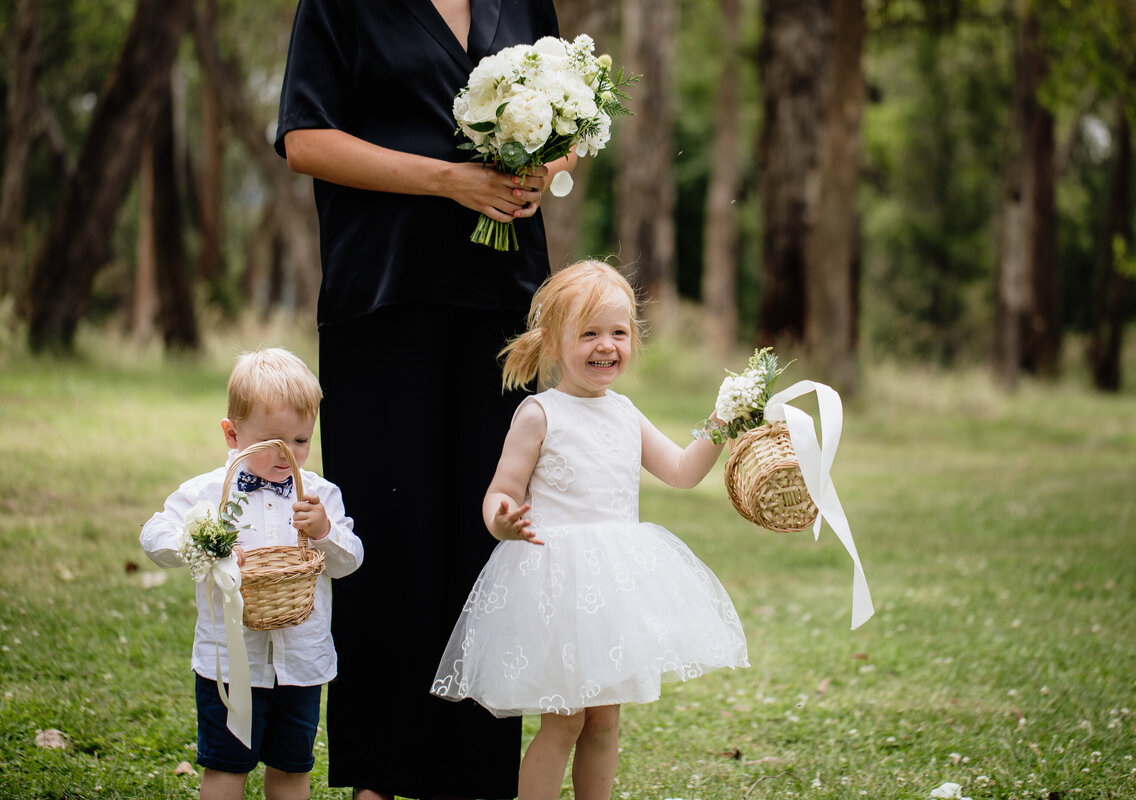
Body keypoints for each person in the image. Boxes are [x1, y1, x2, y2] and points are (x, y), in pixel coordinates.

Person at [274, 1, 575, 797]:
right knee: (389, 537)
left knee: (492, 537)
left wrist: (544, 167)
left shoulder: (521, 0)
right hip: (383, 293)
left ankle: (475, 777)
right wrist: (450, 181)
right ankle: (380, 772)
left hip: (503, 303)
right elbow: (304, 137)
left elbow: (567, 118)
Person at [429, 261, 750, 800]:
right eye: (589, 333)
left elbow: (681, 470)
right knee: (565, 721)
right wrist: (502, 520)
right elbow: (499, 493)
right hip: (557, 587)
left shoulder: (626, 413)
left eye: (618, 333)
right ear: (554, 344)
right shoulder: (539, 414)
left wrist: (722, 422)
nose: (607, 346)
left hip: (613, 590)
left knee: (604, 721)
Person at [140, 347, 364, 800]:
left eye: (301, 441)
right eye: (273, 442)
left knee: (290, 769)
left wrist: (323, 531)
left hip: (300, 664)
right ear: (232, 433)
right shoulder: (209, 493)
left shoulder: (319, 494)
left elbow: (350, 560)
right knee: (226, 768)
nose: (289, 454)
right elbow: (153, 533)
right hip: (228, 662)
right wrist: (203, 545)